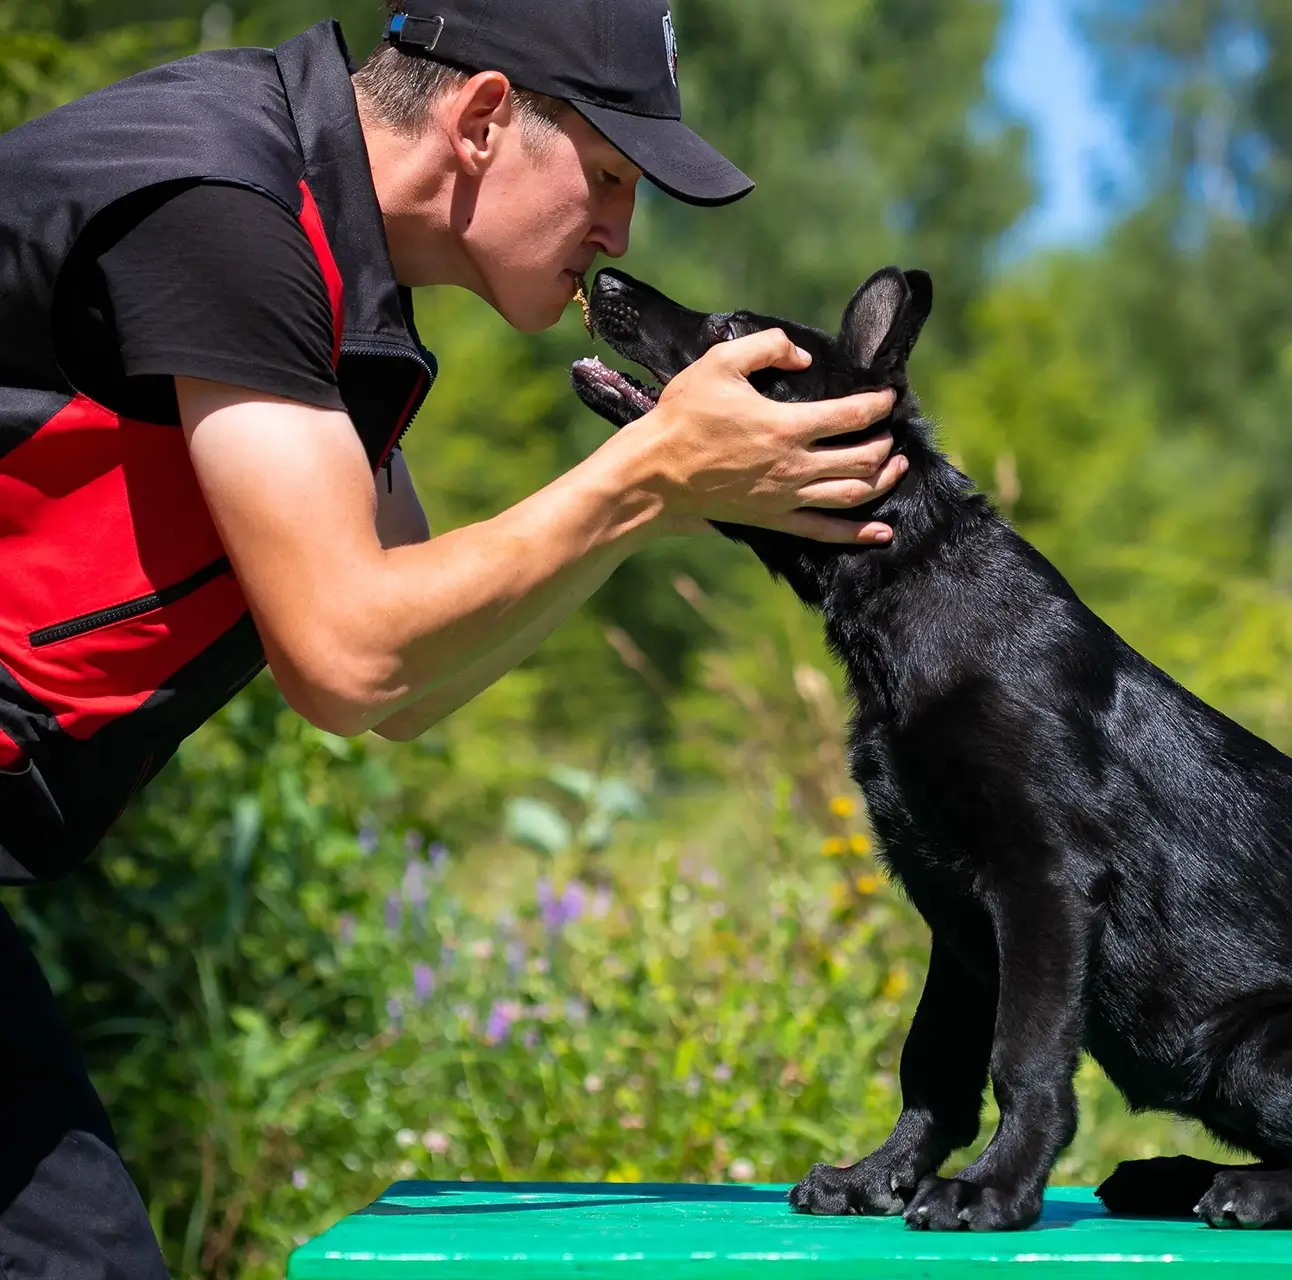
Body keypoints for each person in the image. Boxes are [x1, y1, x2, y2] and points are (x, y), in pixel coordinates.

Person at [0, 0, 903, 1271]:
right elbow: (347, 652)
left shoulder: (329, 271)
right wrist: (647, 476)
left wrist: (659, 498)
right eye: (605, 176)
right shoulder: (228, 211)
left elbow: (403, 687)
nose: (616, 235)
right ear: (482, 119)